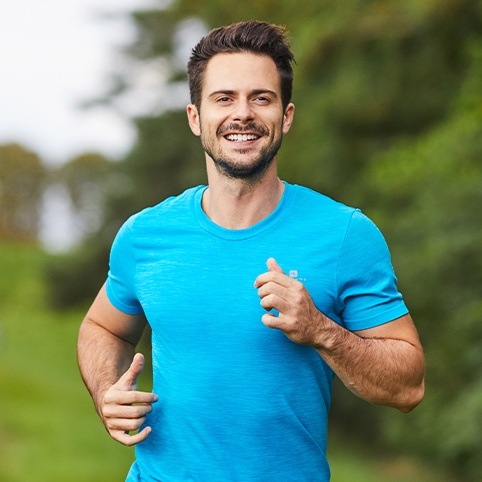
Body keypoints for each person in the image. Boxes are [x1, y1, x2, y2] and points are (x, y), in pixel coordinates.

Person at [78, 20, 425, 481]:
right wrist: (107, 394)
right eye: (224, 98)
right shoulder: (146, 235)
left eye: (261, 98)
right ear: (195, 117)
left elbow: (409, 386)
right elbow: (103, 326)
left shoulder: (344, 235)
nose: (242, 113)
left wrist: (320, 329)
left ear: (286, 116)